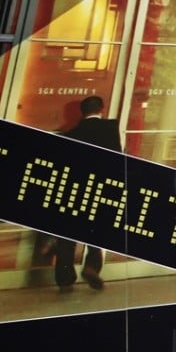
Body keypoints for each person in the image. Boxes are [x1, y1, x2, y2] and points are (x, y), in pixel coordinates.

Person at [51, 95, 122, 292]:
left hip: (73, 190)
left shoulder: (71, 134)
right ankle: (91, 267)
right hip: (99, 190)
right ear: (101, 109)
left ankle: (64, 279)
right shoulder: (110, 129)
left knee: (67, 236)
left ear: (82, 112)